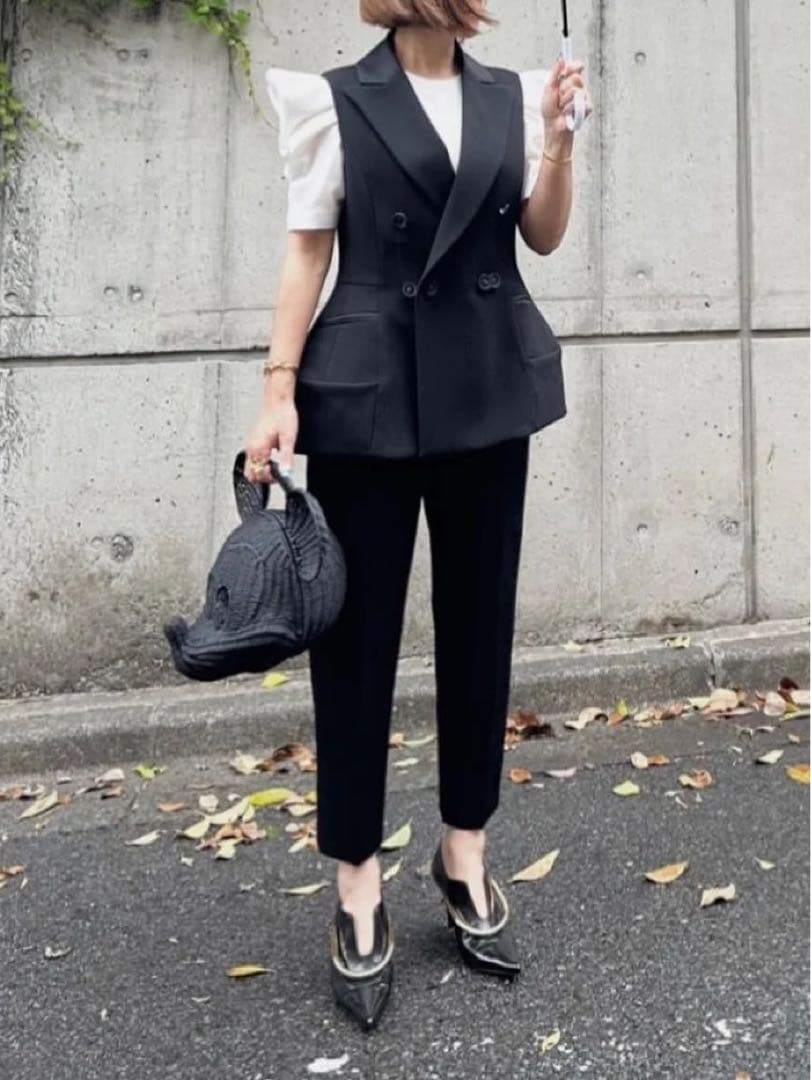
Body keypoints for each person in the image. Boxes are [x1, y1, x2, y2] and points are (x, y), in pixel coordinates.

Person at [244, 0, 592, 1031]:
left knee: (480, 626)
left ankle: (463, 852)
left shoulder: (513, 96)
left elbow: (541, 235)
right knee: (354, 643)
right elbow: (308, 252)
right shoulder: (334, 101)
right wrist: (277, 389)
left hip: (488, 383)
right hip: (366, 391)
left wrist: (558, 140)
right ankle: (356, 877)